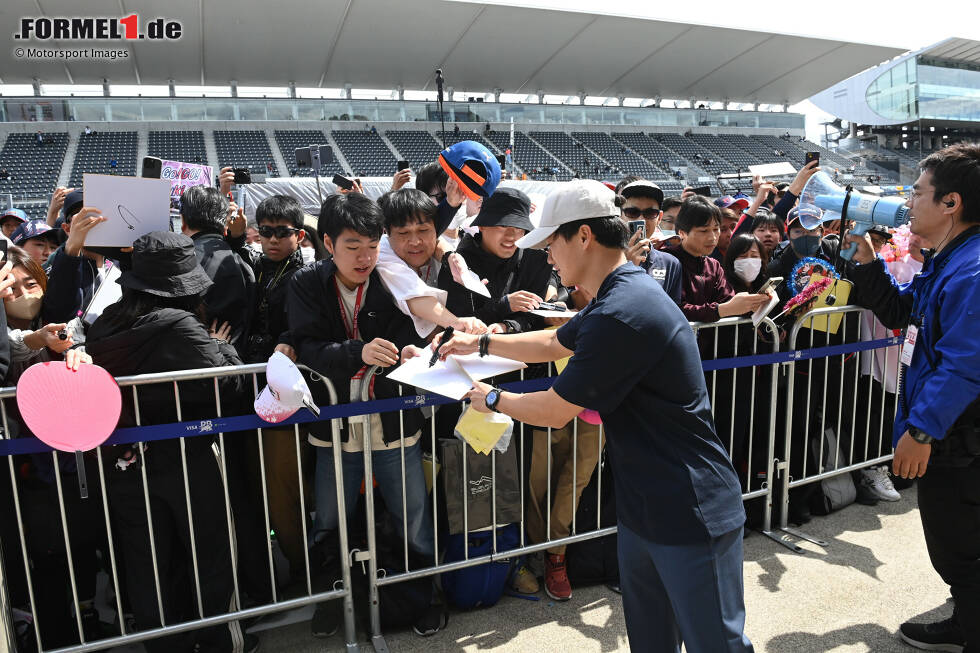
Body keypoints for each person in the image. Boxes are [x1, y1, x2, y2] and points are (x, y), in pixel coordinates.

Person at [431, 179, 754, 653]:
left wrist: (493, 399)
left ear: (583, 236)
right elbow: (551, 342)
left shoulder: (624, 310)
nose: (546, 257)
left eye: (550, 243)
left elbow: (555, 410)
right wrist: (479, 342)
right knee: (651, 640)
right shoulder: (619, 293)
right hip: (646, 506)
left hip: (690, 508)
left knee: (716, 643)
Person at [86, 231, 255, 653]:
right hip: (190, 454)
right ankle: (221, 641)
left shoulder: (105, 322)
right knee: (210, 553)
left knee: (149, 562)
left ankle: (165, 645)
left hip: (127, 461)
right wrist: (221, 345)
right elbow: (228, 382)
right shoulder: (179, 324)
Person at [845, 144, 980, 653]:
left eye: (918, 192)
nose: (909, 202)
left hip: (958, 435)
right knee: (959, 542)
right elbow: (907, 316)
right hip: (953, 430)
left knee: (960, 548)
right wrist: (868, 267)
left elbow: (964, 367)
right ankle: (966, 618)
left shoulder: (971, 271)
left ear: (951, 202)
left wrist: (921, 431)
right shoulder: (952, 260)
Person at [286, 192, 436, 638]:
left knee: (413, 516)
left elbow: (411, 335)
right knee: (328, 520)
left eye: (372, 245)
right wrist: (359, 351)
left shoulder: (393, 277)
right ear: (327, 243)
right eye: (353, 246)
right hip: (333, 430)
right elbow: (307, 346)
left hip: (394, 427)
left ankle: (420, 599)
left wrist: (411, 352)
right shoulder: (306, 284)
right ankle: (334, 603)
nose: (365, 257)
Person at [227, 194, 311, 588]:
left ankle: (303, 566)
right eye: (267, 232)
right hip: (253, 389)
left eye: (283, 233)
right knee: (265, 485)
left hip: (286, 394)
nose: (273, 240)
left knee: (285, 488)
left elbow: (305, 327)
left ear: (299, 234)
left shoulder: (306, 274)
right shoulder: (256, 264)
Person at [438, 187, 551, 335]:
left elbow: (536, 317)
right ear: (482, 225)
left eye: (519, 227)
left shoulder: (537, 261)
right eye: (502, 225)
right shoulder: (458, 265)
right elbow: (458, 323)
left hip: (527, 355)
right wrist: (504, 305)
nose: (511, 235)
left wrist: (507, 326)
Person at [666, 197, 769, 322]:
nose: (712, 237)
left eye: (716, 229)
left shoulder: (713, 266)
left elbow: (728, 301)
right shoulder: (666, 261)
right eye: (704, 231)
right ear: (682, 233)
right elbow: (671, 310)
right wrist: (721, 310)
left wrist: (752, 303)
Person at [179, 185, 255, 351]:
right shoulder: (243, 261)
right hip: (236, 363)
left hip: (188, 361)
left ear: (183, 221)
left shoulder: (179, 259)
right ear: (225, 223)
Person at [615, 180, 681, 303]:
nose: (641, 219)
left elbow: (672, 310)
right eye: (632, 212)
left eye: (650, 213)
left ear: (659, 218)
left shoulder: (670, 263)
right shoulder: (604, 260)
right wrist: (626, 267)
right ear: (620, 216)